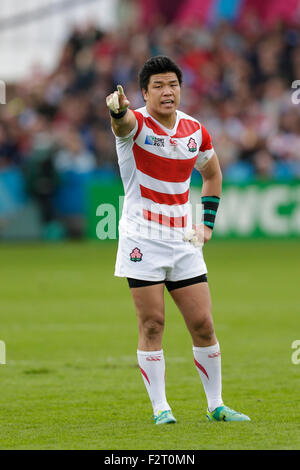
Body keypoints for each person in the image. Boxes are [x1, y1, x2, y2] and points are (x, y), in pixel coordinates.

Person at [106, 56, 250, 424]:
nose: (167, 92)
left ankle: (215, 405)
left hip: (183, 240)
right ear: (144, 93)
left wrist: (207, 226)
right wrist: (118, 111)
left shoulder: (195, 131)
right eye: (158, 86)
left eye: (172, 84)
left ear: (180, 89)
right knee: (152, 324)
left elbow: (213, 175)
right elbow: (121, 124)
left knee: (203, 323)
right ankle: (161, 409)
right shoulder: (136, 122)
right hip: (143, 238)